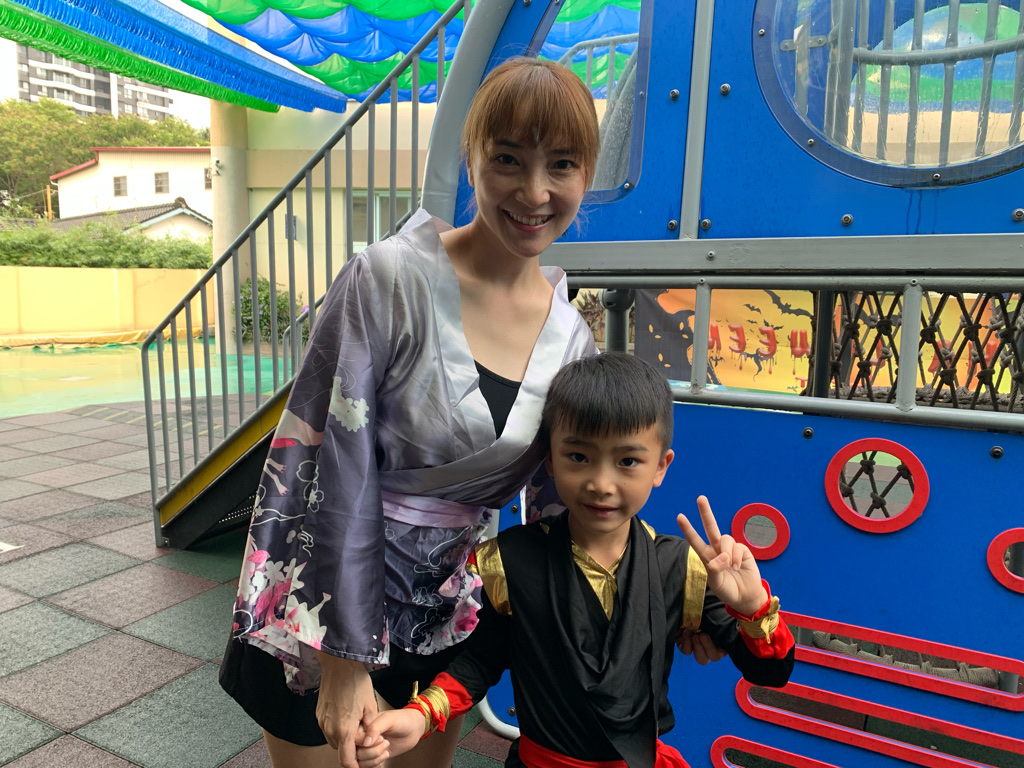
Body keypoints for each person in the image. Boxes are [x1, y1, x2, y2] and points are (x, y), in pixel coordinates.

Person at [219, 57, 601, 768]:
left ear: (588, 174)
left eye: (562, 164)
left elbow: (574, 507)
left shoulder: (572, 339)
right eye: (508, 159)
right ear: (471, 157)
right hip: (322, 601)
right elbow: (326, 460)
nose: (535, 191)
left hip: (443, 614)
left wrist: (671, 603)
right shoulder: (388, 277)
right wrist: (343, 657)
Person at [355, 353, 796, 768]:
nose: (601, 483)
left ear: (661, 466)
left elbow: (770, 671)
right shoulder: (511, 559)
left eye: (628, 460)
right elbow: (480, 661)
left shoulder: (682, 568)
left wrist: (752, 607)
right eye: (579, 457)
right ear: (550, 458)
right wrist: (419, 715)